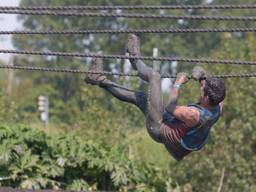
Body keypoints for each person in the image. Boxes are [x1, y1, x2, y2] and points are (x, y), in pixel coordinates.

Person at [85, 34, 226, 161]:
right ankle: (98, 79)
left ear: (207, 98)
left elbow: (170, 107)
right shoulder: (218, 106)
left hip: (158, 128)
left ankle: (134, 58)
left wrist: (178, 83)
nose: (200, 89)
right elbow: (215, 93)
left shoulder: (193, 114)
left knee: (154, 76)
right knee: (140, 98)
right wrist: (203, 77)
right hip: (171, 126)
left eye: (202, 89)